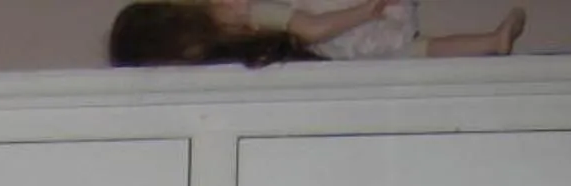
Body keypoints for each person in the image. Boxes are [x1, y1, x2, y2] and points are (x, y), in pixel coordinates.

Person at [109, 0, 528, 66]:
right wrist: (367, 10)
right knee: (413, 53)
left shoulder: (250, 25)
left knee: (414, 53)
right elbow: (313, 28)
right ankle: (491, 42)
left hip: (342, 49)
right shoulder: (255, 16)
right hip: (343, 41)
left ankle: (492, 41)